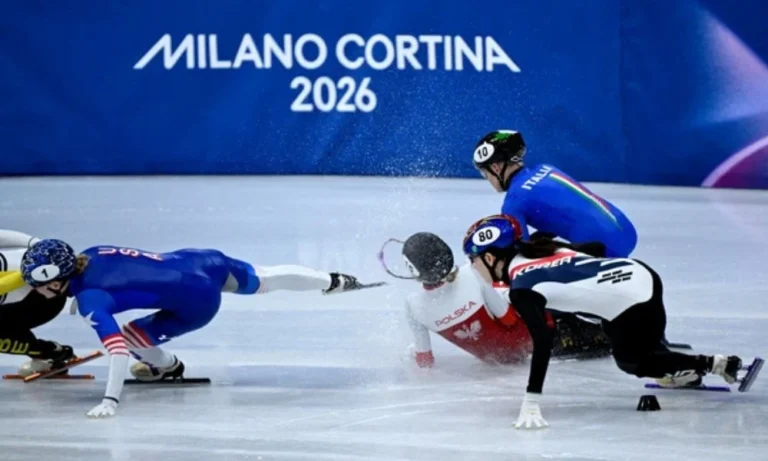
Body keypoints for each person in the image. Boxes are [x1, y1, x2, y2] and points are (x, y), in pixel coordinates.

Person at [19, 239, 371, 419]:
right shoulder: (90, 252)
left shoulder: (92, 299)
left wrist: (110, 400)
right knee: (266, 278)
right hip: (199, 260)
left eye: (37, 283)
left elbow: (118, 352)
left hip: (197, 303)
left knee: (129, 336)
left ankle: (168, 366)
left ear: (59, 277)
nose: (35, 290)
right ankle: (334, 280)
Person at [461, 214, 751, 430]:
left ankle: (717, 364)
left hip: (634, 303)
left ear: (488, 257)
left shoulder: (521, 288)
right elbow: (597, 247)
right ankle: (680, 367)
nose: (473, 268)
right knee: (618, 334)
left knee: (632, 362)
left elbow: (544, 342)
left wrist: (532, 399)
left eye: (473, 261)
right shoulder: (540, 247)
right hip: (641, 275)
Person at [384, 232, 610, 368]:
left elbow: (425, 360)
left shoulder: (413, 305)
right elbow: (509, 319)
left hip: (500, 360)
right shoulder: (472, 273)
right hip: (543, 335)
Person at [472, 130, 637, 258]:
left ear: (495, 167)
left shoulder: (513, 202)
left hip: (603, 248)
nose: (488, 179)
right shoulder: (545, 168)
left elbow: (521, 254)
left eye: (485, 173)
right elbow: (560, 213)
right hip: (625, 228)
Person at [0, 230, 75, 375]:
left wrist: (34, 243)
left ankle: (49, 352)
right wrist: (33, 242)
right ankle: (44, 352)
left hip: (43, 301)